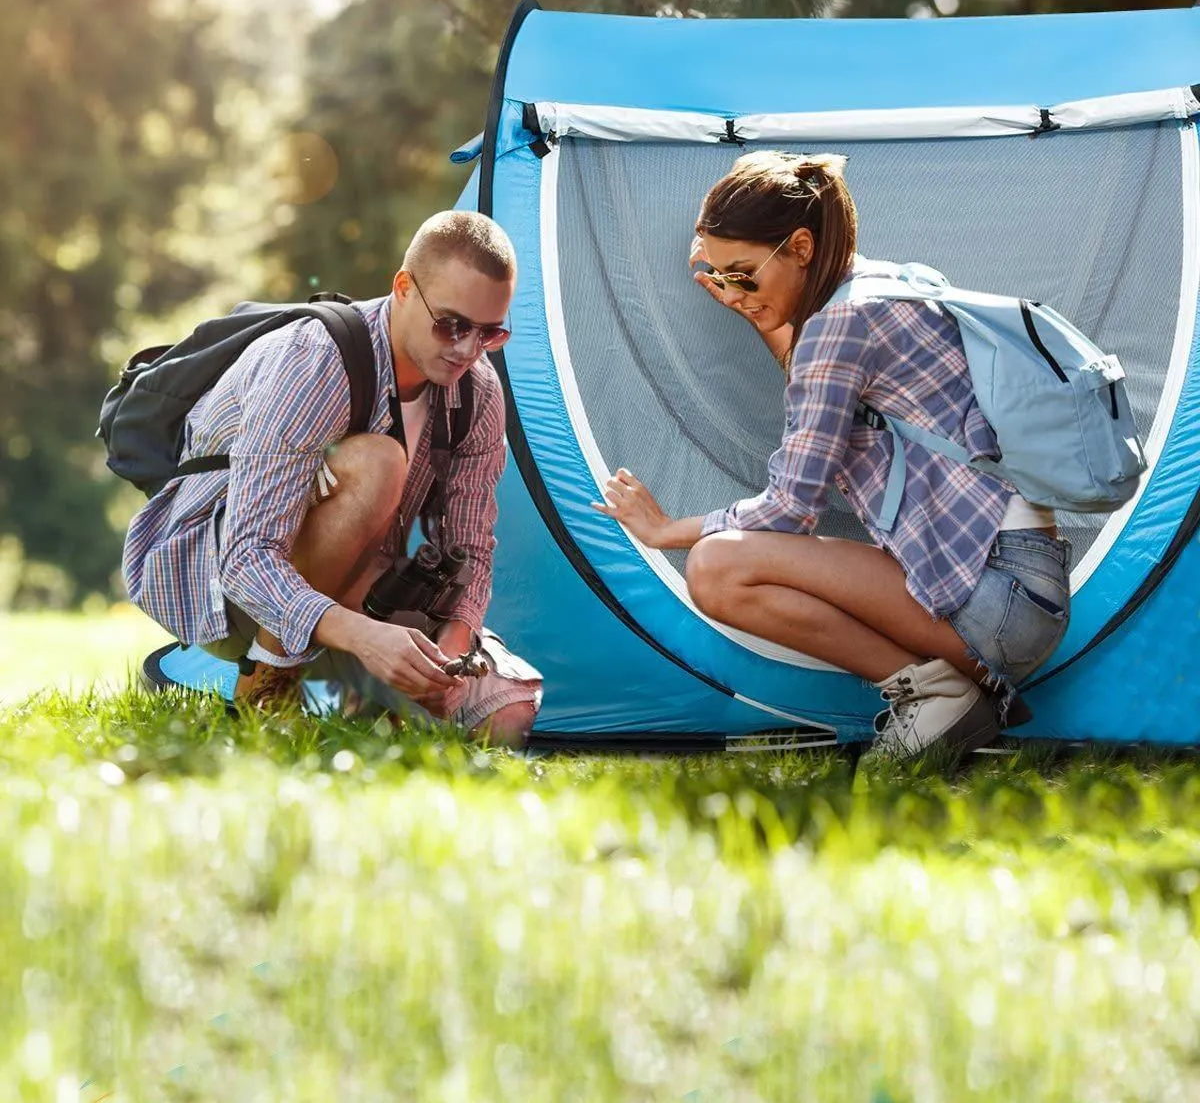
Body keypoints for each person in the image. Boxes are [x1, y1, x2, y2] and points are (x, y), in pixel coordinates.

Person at [594, 151, 1070, 760]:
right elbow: (818, 375)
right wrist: (755, 299)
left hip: (995, 598)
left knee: (715, 567)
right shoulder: (881, 287)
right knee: (721, 561)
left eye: (742, 274)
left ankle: (934, 696)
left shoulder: (837, 328)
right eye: (719, 275)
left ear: (799, 247)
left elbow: (792, 508)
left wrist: (666, 531)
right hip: (1020, 588)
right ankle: (941, 692)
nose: (732, 291)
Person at [123, 210, 540, 746]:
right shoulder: (317, 359)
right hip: (220, 583)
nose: (467, 349)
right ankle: (263, 682)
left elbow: (471, 548)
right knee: (379, 463)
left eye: (490, 332)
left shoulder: (476, 391)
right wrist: (367, 638)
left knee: (505, 718)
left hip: (357, 587)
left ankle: (347, 699)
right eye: (452, 325)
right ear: (404, 288)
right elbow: (247, 557)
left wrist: (455, 647)